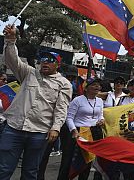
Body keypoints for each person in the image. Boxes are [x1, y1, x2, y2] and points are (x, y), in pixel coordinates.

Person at [0, 25, 72, 180]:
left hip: (40, 133)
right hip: (14, 128)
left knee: (30, 172)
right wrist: (11, 39)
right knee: (3, 169)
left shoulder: (64, 84)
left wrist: (56, 128)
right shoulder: (28, 73)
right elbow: (12, 60)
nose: (45, 62)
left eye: (50, 60)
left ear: (57, 65)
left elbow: (61, 108)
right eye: (43, 60)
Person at [64, 78, 104, 180]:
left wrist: (101, 120)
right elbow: (69, 117)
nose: (97, 87)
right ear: (86, 88)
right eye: (94, 85)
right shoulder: (77, 100)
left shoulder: (99, 101)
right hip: (78, 132)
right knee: (70, 162)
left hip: (93, 132)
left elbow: (100, 115)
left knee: (87, 162)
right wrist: (74, 130)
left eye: (98, 85)